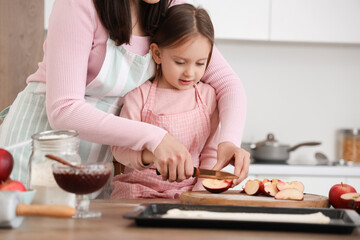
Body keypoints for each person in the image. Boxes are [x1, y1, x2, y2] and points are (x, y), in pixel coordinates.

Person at [0, 0, 249, 193]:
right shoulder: (79, 5)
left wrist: (229, 140)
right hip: (38, 152)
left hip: (95, 169)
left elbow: (227, 83)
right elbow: (64, 111)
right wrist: (155, 137)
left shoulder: (169, 7)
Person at [111, 3, 226, 198]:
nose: (190, 72)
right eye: (180, 62)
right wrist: (152, 156)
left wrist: (199, 195)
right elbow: (119, 150)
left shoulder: (207, 97)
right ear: (157, 54)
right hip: (138, 191)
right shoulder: (139, 95)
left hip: (187, 194)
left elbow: (210, 153)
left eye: (200, 63)